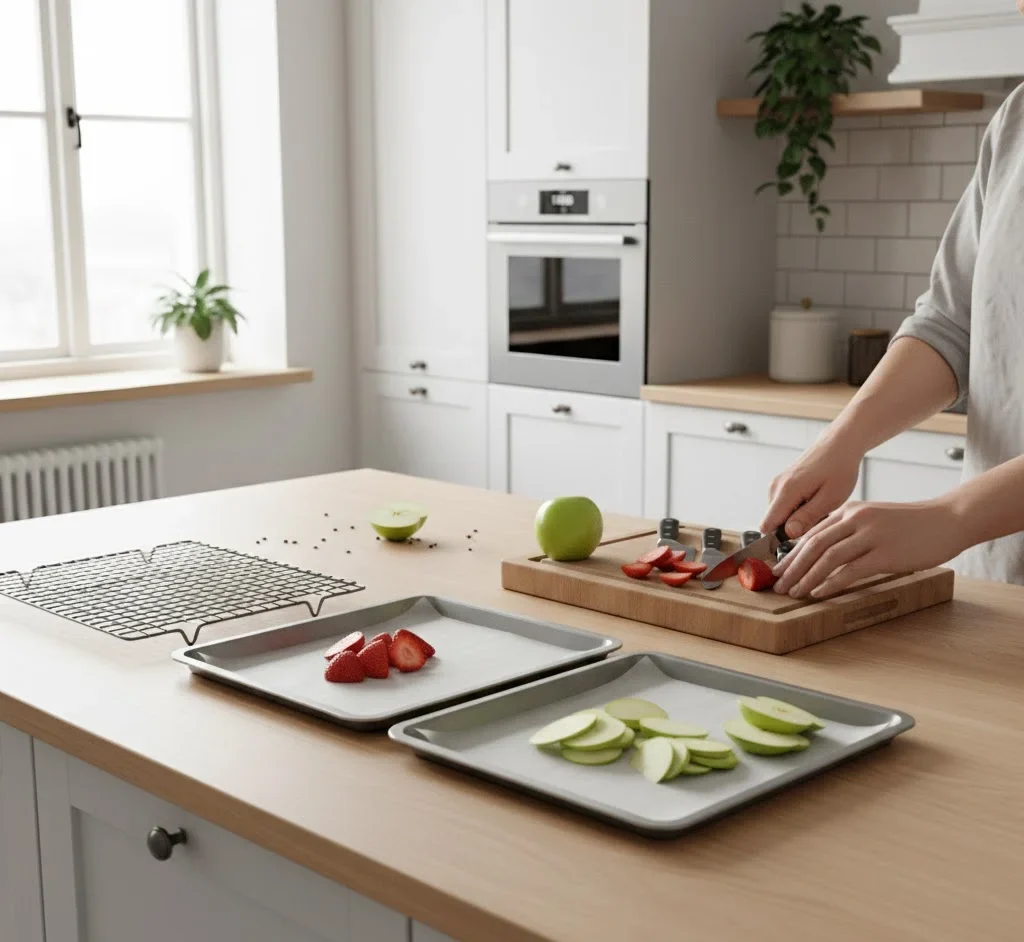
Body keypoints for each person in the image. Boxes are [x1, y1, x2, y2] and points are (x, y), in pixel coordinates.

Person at [763, 65, 1024, 599]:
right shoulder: (1017, 120)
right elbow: (953, 321)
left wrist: (951, 516)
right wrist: (841, 442)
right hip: (999, 584)